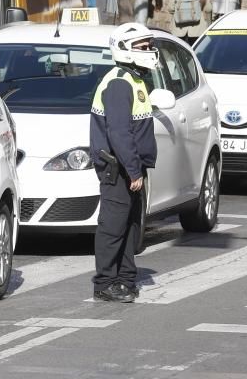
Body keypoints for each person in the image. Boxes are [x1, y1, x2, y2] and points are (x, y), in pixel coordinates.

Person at [90, 23, 159, 303]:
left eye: (148, 46)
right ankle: (105, 283)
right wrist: (133, 170)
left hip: (131, 167)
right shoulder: (119, 82)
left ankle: (125, 278)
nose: (149, 51)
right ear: (124, 51)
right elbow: (119, 132)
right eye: (142, 47)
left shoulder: (135, 79)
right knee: (113, 227)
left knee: (130, 226)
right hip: (118, 167)